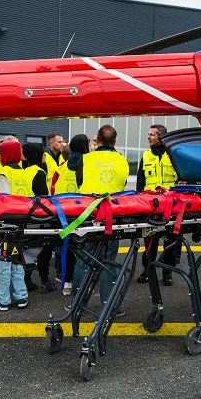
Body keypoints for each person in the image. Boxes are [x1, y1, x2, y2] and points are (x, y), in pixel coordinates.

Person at [70, 125, 129, 316]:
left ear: (98, 141)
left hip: (88, 215)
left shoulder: (86, 159)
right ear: (115, 142)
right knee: (109, 261)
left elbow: (80, 183)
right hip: (113, 216)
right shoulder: (123, 161)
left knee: (84, 259)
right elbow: (123, 184)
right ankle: (108, 306)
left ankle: (76, 304)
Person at [136, 124, 180, 286]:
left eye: (152, 134)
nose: (148, 137)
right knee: (150, 239)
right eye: (148, 134)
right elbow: (140, 182)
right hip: (151, 205)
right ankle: (147, 270)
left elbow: (181, 179)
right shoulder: (146, 156)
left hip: (170, 204)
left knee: (170, 240)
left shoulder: (173, 155)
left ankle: (167, 273)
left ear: (161, 137)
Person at [0, 140, 30, 311]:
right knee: (17, 261)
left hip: (6, 225)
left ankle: (4, 300)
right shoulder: (25, 173)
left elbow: (1, 202)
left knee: (2, 263)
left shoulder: (4, 173)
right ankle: (22, 296)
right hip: (22, 223)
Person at [51, 134, 90, 295]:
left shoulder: (60, 169)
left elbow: (52, 190)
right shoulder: (89, 165)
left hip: (63, 213)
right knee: (85, 248)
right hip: (84, 212)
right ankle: (84, 283)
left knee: (67, 248)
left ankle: (67, 282)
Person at [22, 142, 56, 293]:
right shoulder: (39, 172)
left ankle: (26, 279)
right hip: (39, 217)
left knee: (28, 249)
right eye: (42, 153)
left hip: (26, 216)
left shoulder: (25, 171)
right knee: (44, 249)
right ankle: (44, 281)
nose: (45, 156)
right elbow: (43, 199)